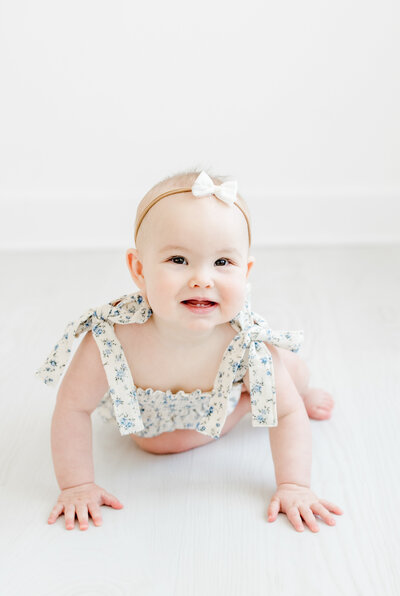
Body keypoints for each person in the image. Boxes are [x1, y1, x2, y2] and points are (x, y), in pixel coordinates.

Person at [36, 169, 343, 533]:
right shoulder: (112, 336)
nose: (202, 278)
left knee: (291, 373)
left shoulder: (245, 341)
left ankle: (267, 392)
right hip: (157, 421)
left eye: (222, 262)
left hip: (224, 388)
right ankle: (246, 402)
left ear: (245, 273)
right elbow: (73, 407)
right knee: (157, 446)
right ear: (139, 269)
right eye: (179, 260)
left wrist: (294, 485)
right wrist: (77, 485)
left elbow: (289, 414)